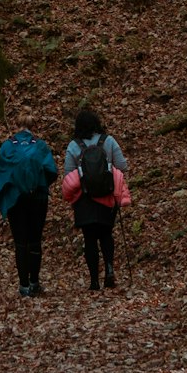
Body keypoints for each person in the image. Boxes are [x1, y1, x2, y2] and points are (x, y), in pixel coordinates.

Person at [61, 105, 131, 290]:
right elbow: (122, 165)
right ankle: (109, 268)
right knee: (106, 233)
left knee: (89, 238)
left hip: (84, 199)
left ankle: (94, 281)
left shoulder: (74, 146)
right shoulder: (108, 141)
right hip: (107, 196)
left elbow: (68, 175)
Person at [0, 117, 58, 297]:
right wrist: (41, 185)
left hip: (15, 200)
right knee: (35, 240)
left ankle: (23, 285)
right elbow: (52, 171)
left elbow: (2, 173)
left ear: (16, 125)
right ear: (32, 126)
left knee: (20, 242)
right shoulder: (41, 146)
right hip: (38, 198)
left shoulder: (7, 146)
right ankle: (35, 282)